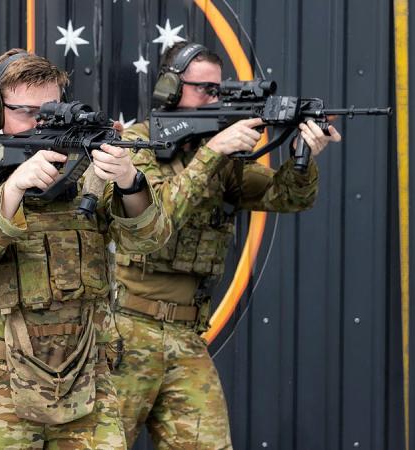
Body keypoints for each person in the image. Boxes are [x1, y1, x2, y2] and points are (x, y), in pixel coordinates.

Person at [0, 48, 175, 449]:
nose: (41, 125)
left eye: (51, 113)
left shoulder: (95, 180)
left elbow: (151, 240)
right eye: (27, 113)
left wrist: (131, 182)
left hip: (87, 383)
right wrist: (12, 191)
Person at [111, 42, 343, 449]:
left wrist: (303, 156)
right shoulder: (137, 146)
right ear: (169, 88)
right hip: (126, 330)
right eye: (203, 89)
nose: (213, 99)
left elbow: (285, 197)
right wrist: (214, 151)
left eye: (218, 91)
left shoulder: (222, 158)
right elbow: (155, 216)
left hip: (186, 334)